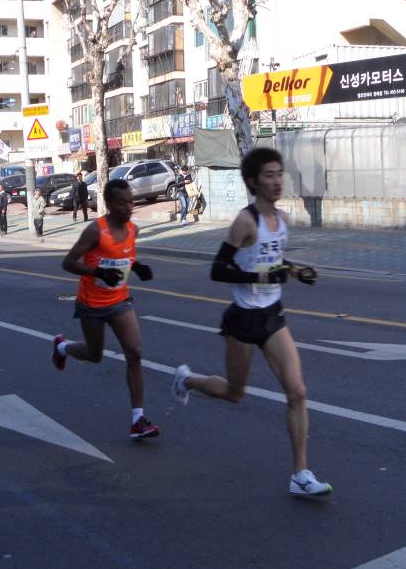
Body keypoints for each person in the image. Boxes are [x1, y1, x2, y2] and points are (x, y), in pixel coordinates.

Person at [171, 148, 332, 497]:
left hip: (272, 316)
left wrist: (294, 270)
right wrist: (259, 276)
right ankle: (188, 380)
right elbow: (218, 270)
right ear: (253, 182)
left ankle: (300, 474)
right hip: (242, 319)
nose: (277, 181)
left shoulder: (283, 219)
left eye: (279, 174)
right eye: (269, 175)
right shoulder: (245, 222)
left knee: (298, 392)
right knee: (235, 393)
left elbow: (273, 259)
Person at [52, 179, 159, 439]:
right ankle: (62, 347)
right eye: (122, 203)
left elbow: (124, 256)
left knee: (134, 353)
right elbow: (68, 263)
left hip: (120, 301)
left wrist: (138, 267)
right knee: (94, 355)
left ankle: (138, 420)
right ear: (109, 204)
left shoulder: (133, 229)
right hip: (91, 304)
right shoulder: (95, 231)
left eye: (131, 201)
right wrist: (98, 272)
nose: (129, 207)